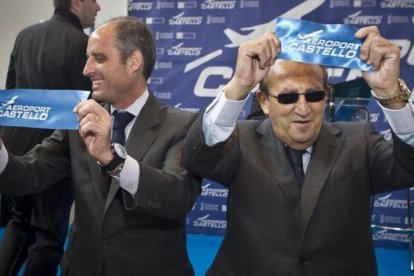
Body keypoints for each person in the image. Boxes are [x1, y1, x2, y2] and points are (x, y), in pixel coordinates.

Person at [182, 26, 414, 275]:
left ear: (326, 96)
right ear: (264, 102)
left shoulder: (360, 140)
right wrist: (239, 85)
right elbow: (197, 158)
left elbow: (408, 167)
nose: (303, 109)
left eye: (313, 95)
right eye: (288, 97)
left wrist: (390, 92)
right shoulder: (241, 139)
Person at [0, 16, 200, 275]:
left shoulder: (181, 125)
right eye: (87, 58)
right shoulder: (78, 123)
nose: (86, 69)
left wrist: (112, 159)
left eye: (99, 58)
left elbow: (177, 197)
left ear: (134, 62)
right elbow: (28, 174)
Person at [0, 0, 100, 275]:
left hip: (14, 147)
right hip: (55, 151)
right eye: (94, 0)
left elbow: (10, 91)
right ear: (77, 3)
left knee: (19, 223)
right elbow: (87, 105)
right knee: (48, 234)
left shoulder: (24, 36)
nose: (99, 7)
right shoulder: (83, 44)